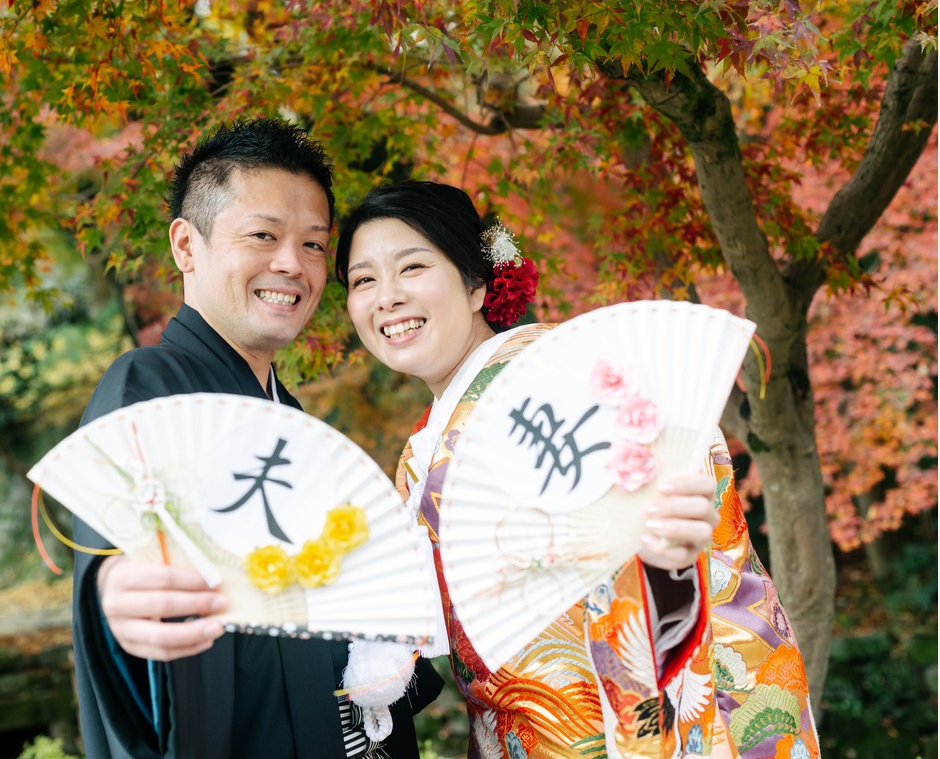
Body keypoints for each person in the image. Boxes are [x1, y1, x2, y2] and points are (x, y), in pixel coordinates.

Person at [335, 181, 820, 759]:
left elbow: (643, 582)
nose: (386, 297)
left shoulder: (560, 383)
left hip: (629, 726)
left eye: (412, 267)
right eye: (363, 280)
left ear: (476, 285)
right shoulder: (432, 439)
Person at [73, 120, 442, 759]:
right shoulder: (152, 388)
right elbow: (121, 562)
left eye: (313, 244)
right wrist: (115, 598)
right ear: (186, 245)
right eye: (263, 235)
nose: (291, 264)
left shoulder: (293, 422)